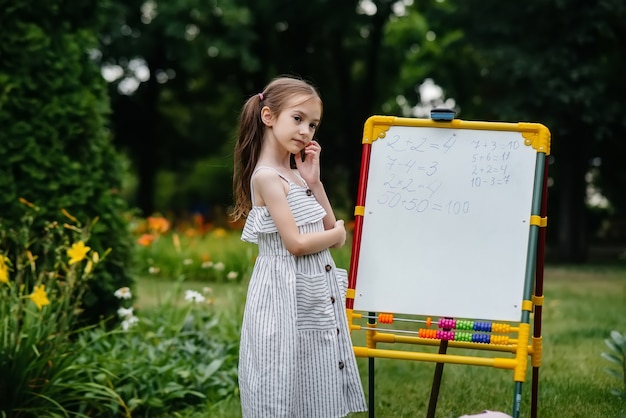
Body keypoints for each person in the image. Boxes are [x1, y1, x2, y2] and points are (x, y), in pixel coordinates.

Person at [231, 75, 367, 417]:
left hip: (307, 294)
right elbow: (297, 243)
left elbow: (324, 222)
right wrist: (337, 236)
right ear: (268, 117)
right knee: (280, 370)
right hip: (282, 292)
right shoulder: (266, 177)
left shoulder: (294, 175)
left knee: (312, 369)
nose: (306, 131)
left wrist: (314, 182)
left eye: (313, 124)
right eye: (298, 119)